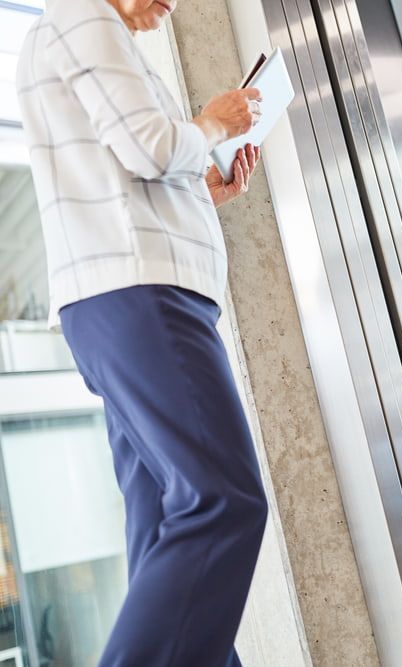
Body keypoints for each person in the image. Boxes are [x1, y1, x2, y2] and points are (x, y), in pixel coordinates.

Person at [17, 0, 267, 664]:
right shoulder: (85, 19)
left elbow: (127, 173)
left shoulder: (79, 32)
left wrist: (210, 187)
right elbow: (150, 147)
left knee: (161, 523)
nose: (172, 4)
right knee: (224, 500)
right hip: (143, 295)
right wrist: (214, 122)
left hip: (124, 299)